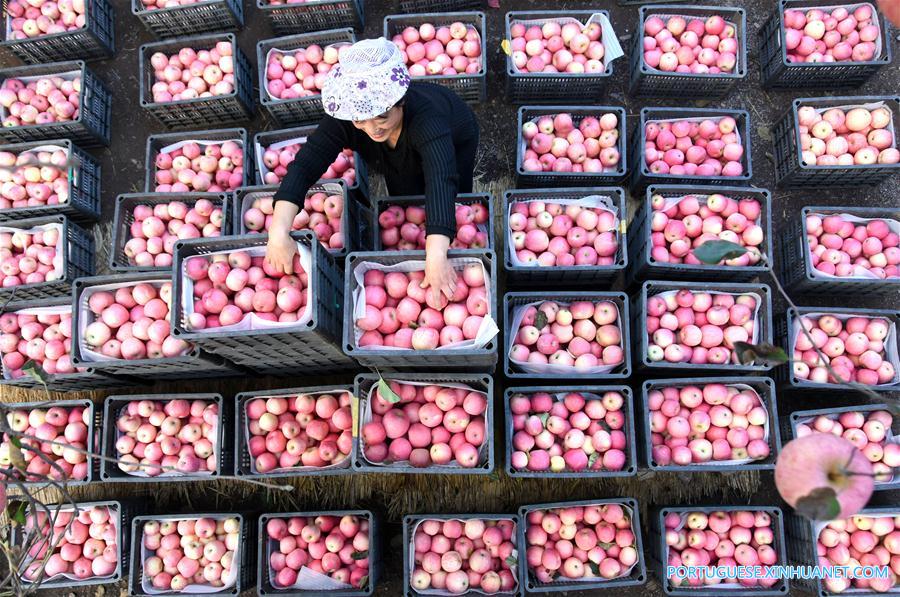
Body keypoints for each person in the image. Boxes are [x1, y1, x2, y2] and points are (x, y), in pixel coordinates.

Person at [266, 37, 480, 304]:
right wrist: (278, 231)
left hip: (455, 138)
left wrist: (435, 256)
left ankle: (446, 230)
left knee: (452, 195)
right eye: (361, 120)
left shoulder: (428, 121)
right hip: (396, 151)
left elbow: (441, 178)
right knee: (405, 191)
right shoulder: (350, 117)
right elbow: (306, 164)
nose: (372, 128)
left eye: (381, 116)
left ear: (400, 101)